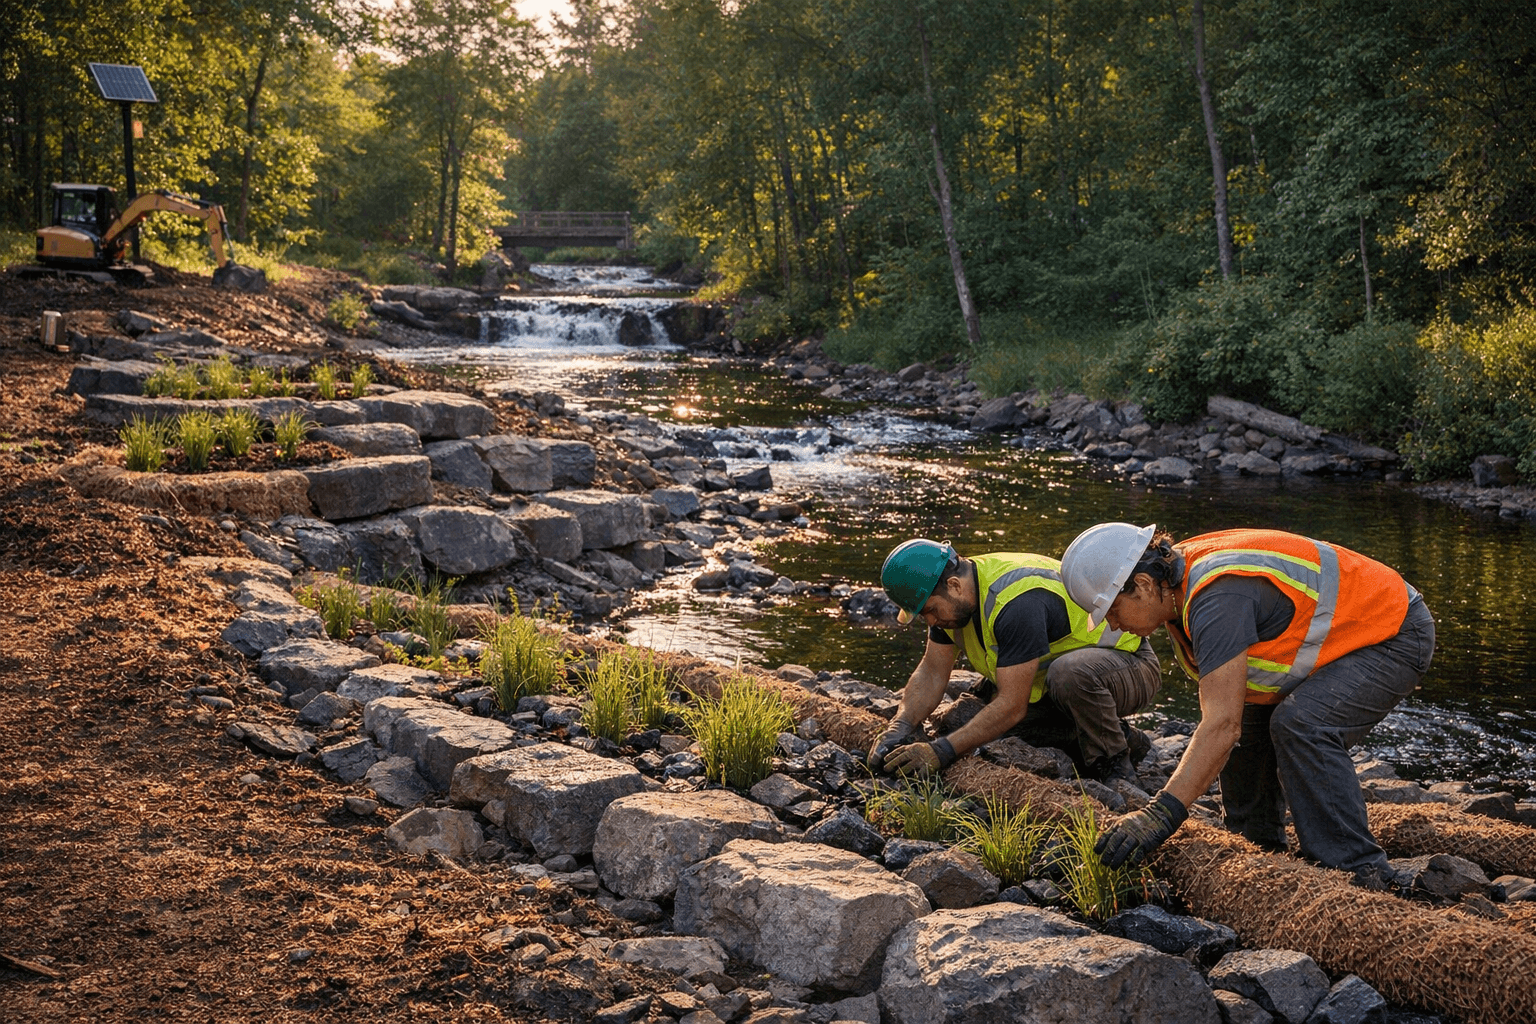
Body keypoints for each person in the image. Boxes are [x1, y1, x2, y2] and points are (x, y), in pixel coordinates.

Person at [1058, 523, 1435, 887]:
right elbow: (1231, 724)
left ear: (1141, 585)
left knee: (1301, 725)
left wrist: (1160, 816)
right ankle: (1258, 851)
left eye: (1112, 610)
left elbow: (1221, 726)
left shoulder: (1218, 598)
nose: (1112, 625)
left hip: (1392, 632)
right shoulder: (1174, 587)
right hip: (1347, 634)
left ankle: (1356, 871)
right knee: (1248, 728)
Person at [869, 538, 1162, 783]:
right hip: (1057, 681)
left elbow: (1011, 705)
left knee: (1067, 675)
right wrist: (901, 725)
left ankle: (1115, 762)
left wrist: (940, 752)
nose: (931, 620)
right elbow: (932, 672)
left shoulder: (1016, 602)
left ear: (955, 585)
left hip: (1128, 665)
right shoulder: (954, 600)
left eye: (931, 610)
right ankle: (1113, 736)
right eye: (923, 615)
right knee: (986, 732)